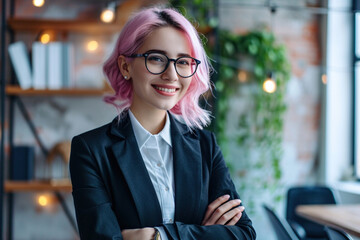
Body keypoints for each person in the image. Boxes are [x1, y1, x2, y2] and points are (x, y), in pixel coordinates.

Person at [69, 6, 256, 240]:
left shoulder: (205, 145)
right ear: (126, 66)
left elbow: (243, 233)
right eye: (156, 59)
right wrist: (204, 234)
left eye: (183, 62)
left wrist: (159, 235)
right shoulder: (90, 150)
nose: (172, 75)